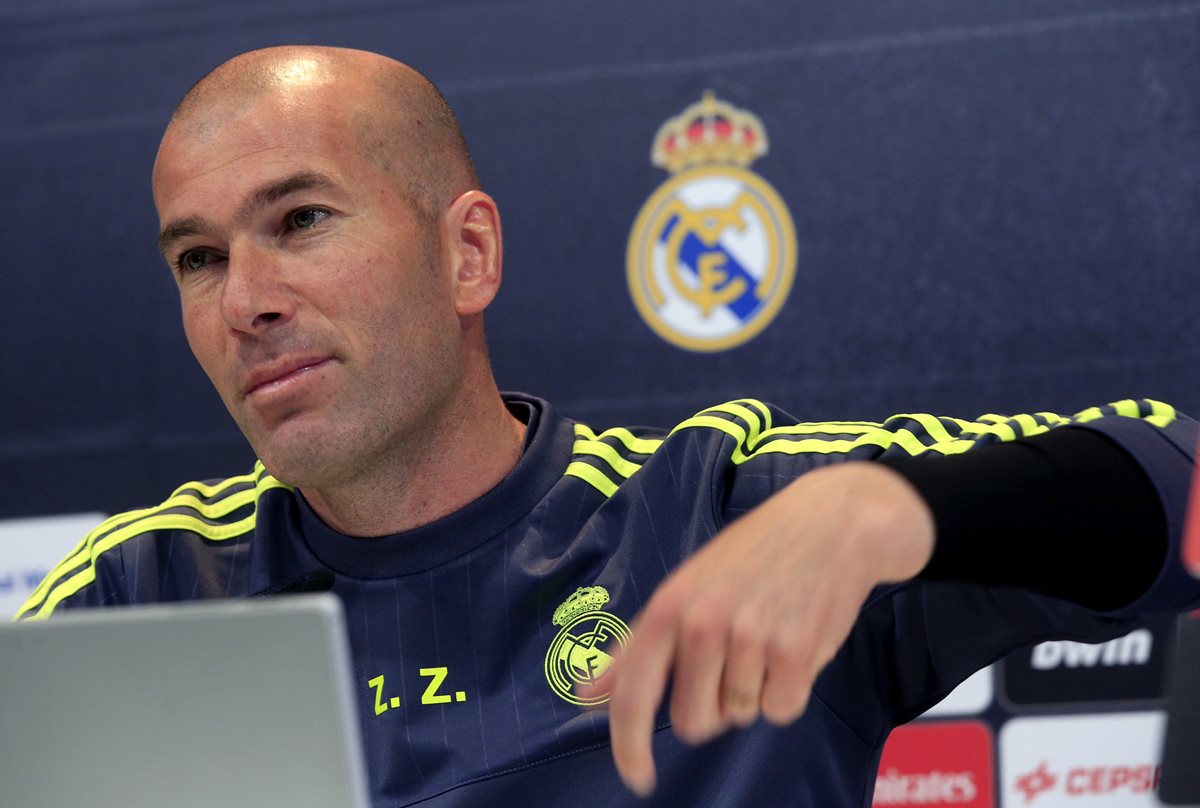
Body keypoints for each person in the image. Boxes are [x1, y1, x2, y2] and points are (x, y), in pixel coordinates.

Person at [17, 45, 1198, 806]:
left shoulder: (717, 508)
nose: (245, 300)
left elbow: (1183, 488)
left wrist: (894, 512)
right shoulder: (138, 594)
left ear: (465, 252)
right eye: (198, 256)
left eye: (303, 218)